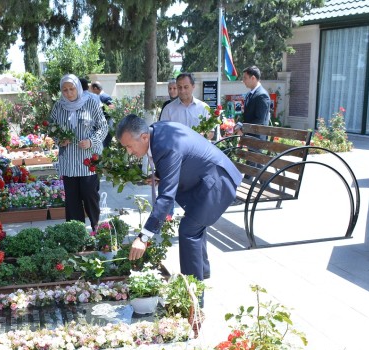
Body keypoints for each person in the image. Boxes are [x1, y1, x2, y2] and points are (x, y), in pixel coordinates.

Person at [116, 114, 242, 282]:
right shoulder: (156, 132)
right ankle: (202, 271)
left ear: (144, 137)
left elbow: (166, 197)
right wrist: (161, 175)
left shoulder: (166, 146)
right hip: (208, 178)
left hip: (217, 183)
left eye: (129, 146)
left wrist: (143, 237)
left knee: (189, 230)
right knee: (196, 225)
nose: (129, 152)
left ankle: (194, 293)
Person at [50, 74, 108, 230]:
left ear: (78, 88)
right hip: (69, 160)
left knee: (90, 194)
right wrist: (59, 139)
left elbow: (103, 127)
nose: (69, 93)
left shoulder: (91, 103)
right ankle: (76, 231)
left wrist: (91, 141)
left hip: (88, 160)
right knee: (72, 199)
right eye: (65, 90)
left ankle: (96, 227)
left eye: (72, 89)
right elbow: (52, 128)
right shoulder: (58, 106)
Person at [235, 65, 271, 138]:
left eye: (245, 78)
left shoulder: (262, 95)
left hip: (257, 138)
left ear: (253, 78)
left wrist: (243, 129)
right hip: (249, 136)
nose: (243, 81)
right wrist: (240, 124)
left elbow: (260, 119)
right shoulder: (250, 94)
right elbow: (248, 115)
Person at [90, 81, 114, 148]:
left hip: (106, 125)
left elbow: (112, 108)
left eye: (91, 90)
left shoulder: (104, 97)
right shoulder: (100, 96)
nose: (91, 92)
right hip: (102, 125)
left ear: (95, 88)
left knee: (105, 146)